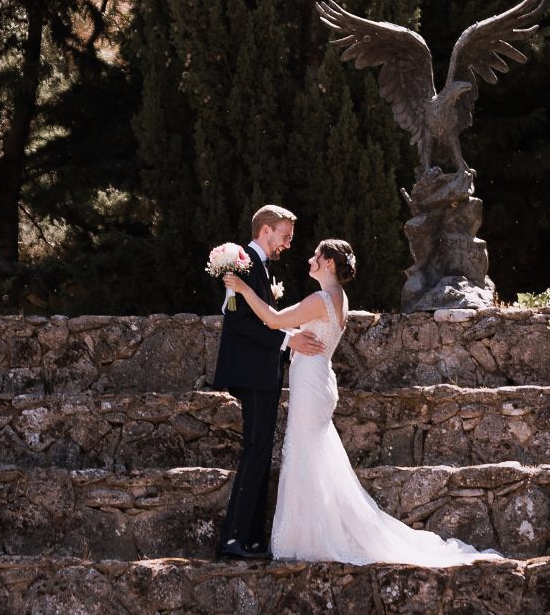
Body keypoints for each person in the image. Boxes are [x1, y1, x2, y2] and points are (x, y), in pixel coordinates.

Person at [224, 237, 500, 566]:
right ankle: (314, 531)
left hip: (311, 383)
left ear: (328, 263)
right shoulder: (340, 299)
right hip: (319, 380)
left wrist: (242, 287)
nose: (309, 260)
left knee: (305, 454)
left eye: (315, 256)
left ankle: (313, 536)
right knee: (313, 454)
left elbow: (271, 319)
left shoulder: (320, 298)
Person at [211, 204, 325, 560]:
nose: (288, 244)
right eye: (285, 236)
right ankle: (232, 539)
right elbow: (239, 323)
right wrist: (287, 339)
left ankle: (251, 538)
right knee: (255, 450)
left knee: (261, 451)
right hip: (252, 372)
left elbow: (262, 319)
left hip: (263, 372)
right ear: (265, 231)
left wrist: (285, 333)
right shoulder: (243, 265)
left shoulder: (257, 268)